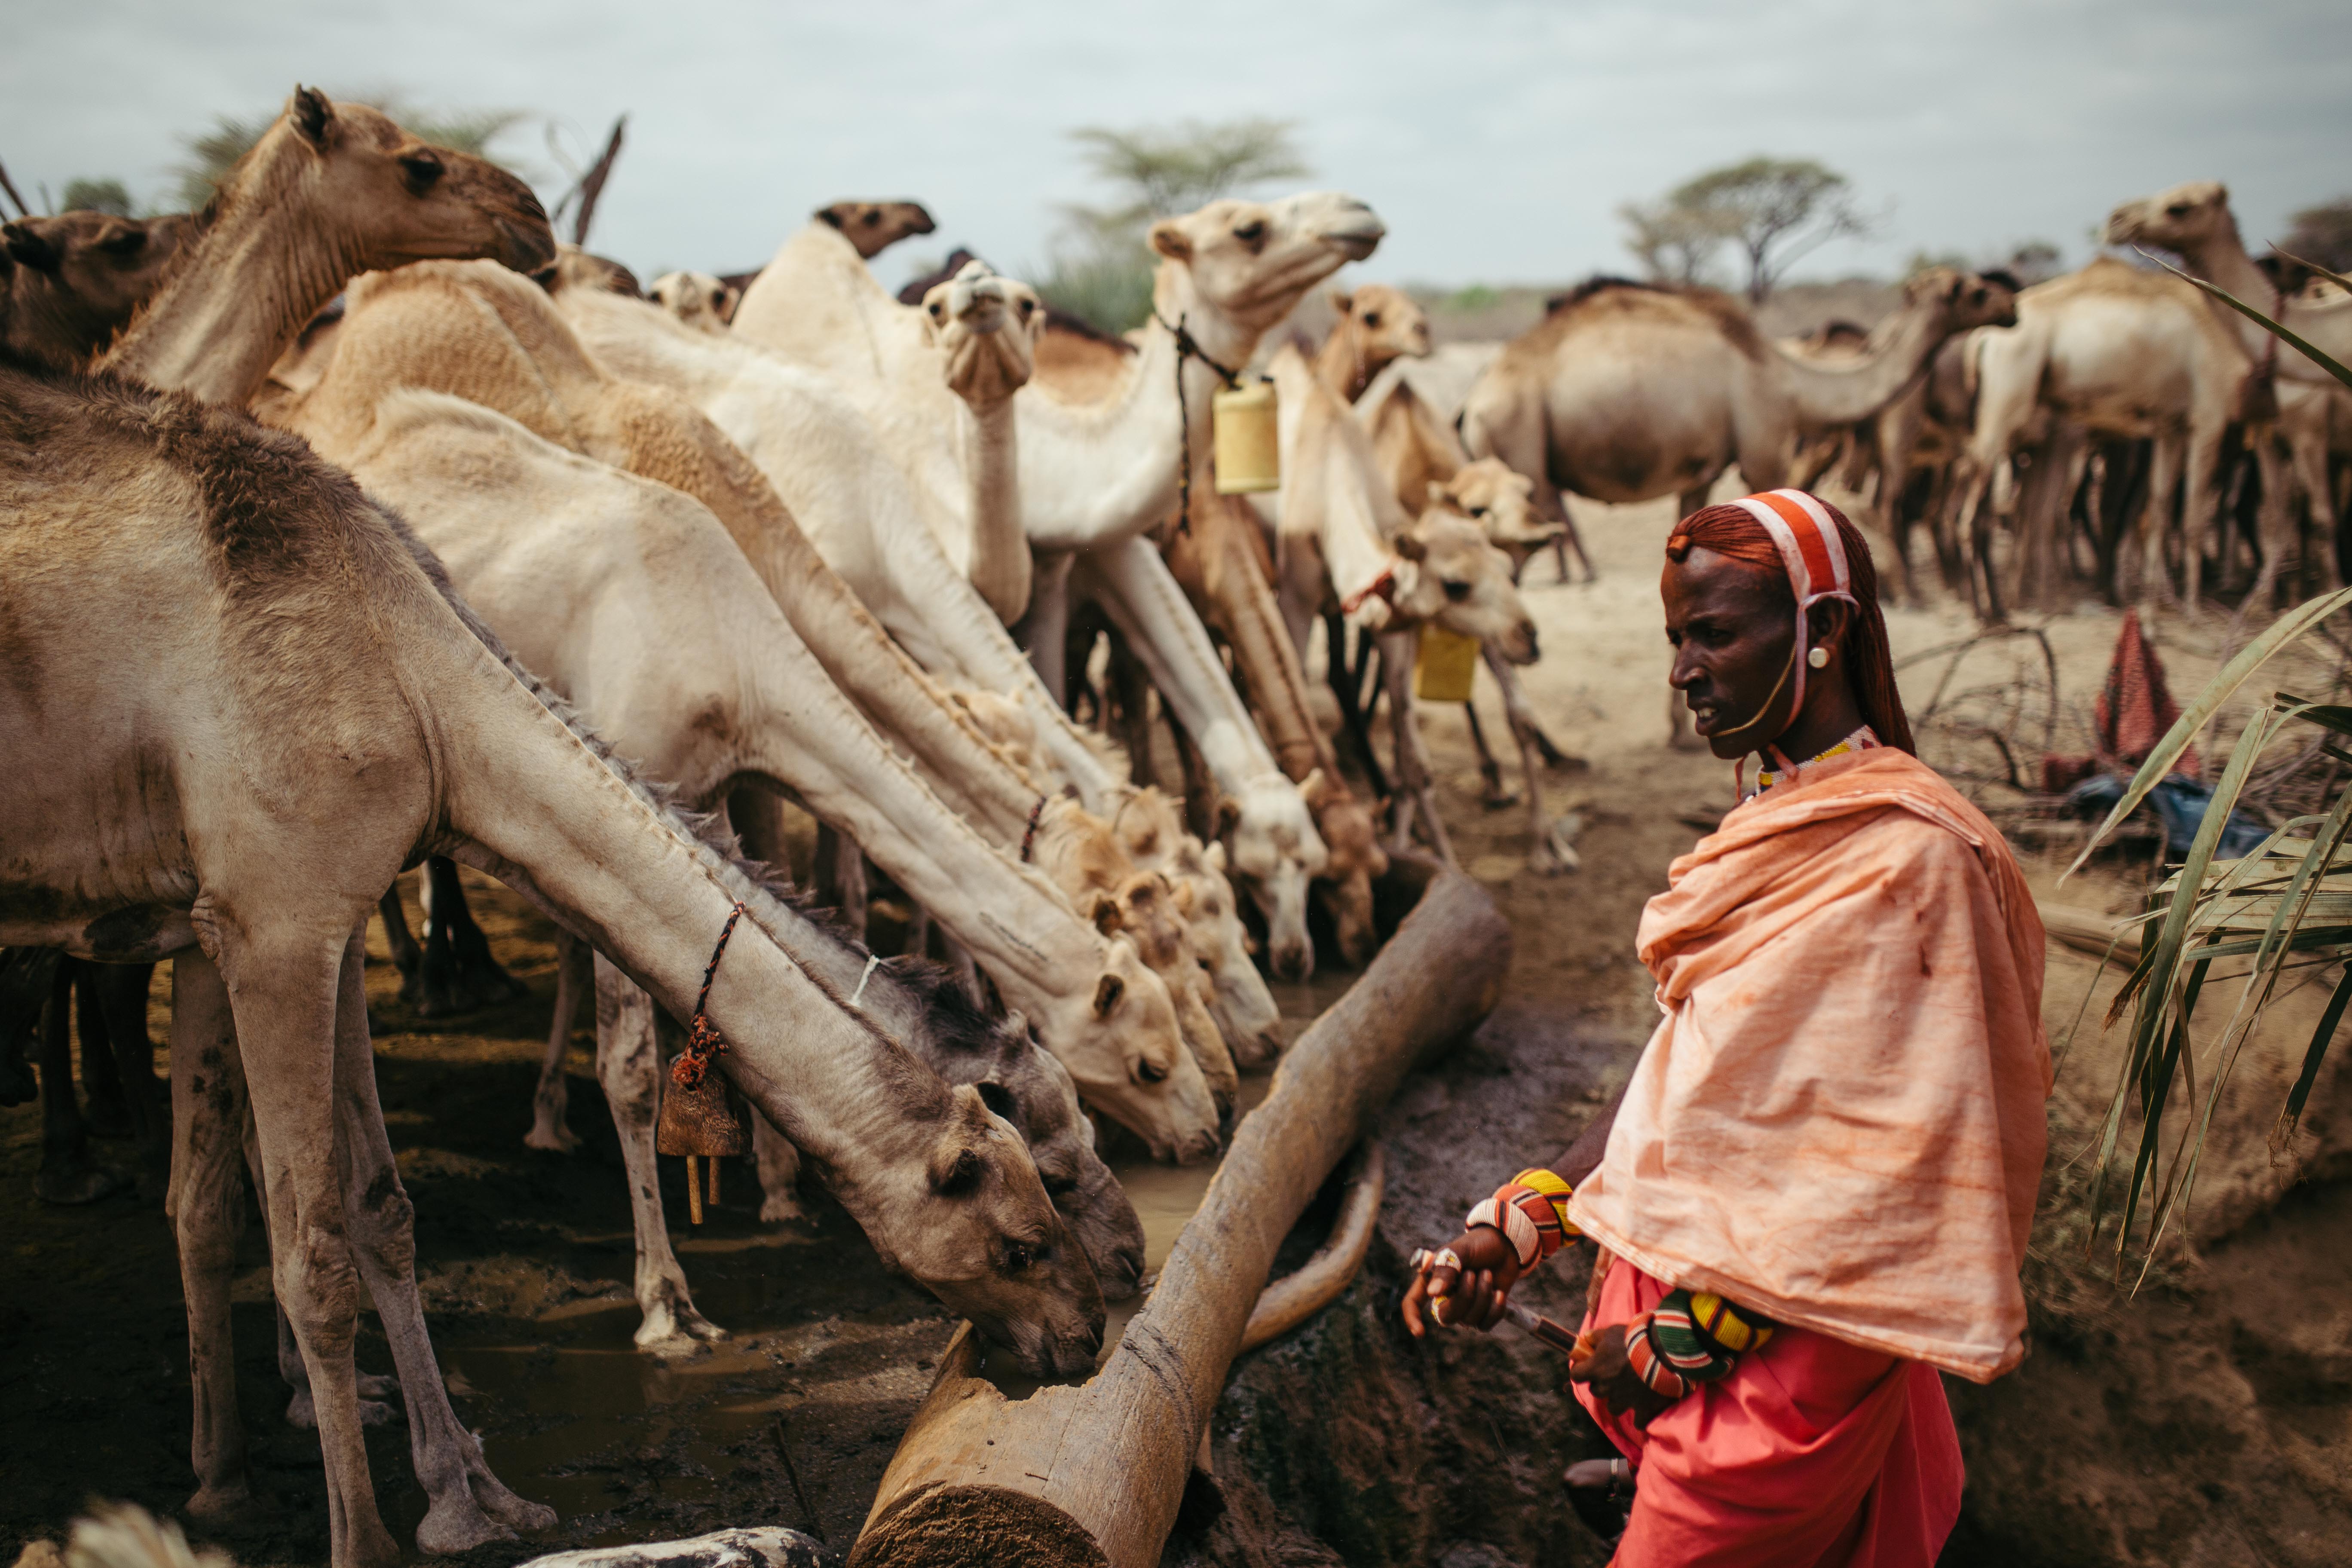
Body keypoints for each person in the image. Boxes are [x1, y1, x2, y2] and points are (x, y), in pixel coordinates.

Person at [1403, 489, 2051, 1566]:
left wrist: (1681, 1347)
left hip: (1792, 1384)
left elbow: (1886, 1180)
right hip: (1711, 1358)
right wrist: (1514, 1228)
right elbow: (1683, 1073)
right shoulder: (1777, 821)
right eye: (1675, 639)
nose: (1682, 671)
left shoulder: (1917, 863)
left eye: (1713, 634)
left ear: (1825, 632)